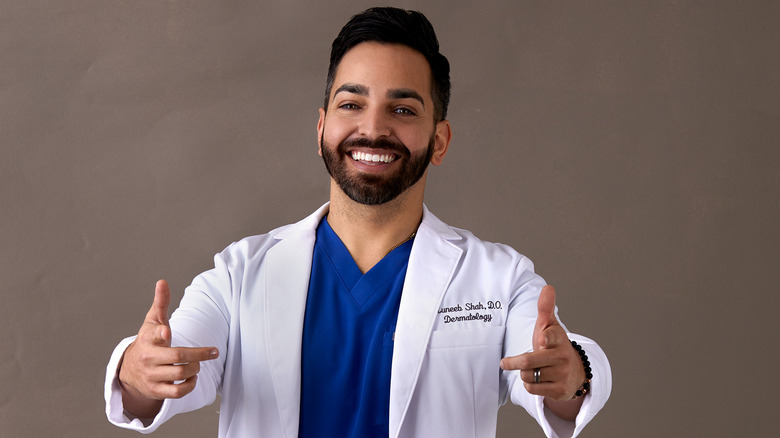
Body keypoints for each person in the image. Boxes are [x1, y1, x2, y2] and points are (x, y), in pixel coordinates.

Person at [105, 7, 611, 438]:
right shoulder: (240, 274)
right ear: (323, 126)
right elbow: (170, 370)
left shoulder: (499, 278)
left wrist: (573, 376)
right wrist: (138, 369)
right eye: (352, 104)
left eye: (403, 109)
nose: (373, 127)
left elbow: (554, 371)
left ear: (439, 140)